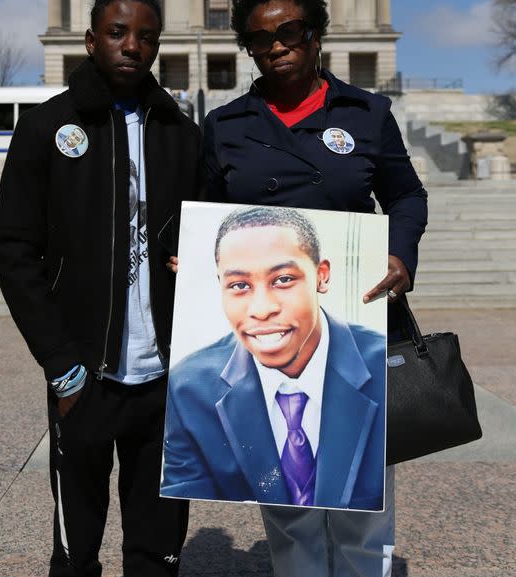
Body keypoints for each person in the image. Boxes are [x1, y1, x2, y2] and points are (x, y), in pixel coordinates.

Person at [202, 0, 428, 577]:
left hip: (355, 322)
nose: (276, 46)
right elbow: (201, 218)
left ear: (317, 35)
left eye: (290, 31)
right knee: (289, 504)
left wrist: (400, 253)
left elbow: (406, 196)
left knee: (361, 503)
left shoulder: (366, 113)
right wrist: (191, 257)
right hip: (273, 333)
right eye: (259, 38)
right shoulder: (226, 126)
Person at [0, 0, 202, 577]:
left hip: (164, 379)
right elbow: (14, 250)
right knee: (76, 548)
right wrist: (60, 362)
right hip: (85, 374)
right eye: (117, 32)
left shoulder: (181, 135)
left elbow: (212, 240)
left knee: (157, 549)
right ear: (90, 40)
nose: (132, 45)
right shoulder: (46, 129)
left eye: (146, 36)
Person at [161, 205, 386, 510]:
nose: (262, 308)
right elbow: (184, 485)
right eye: (239, 286)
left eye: (282, 280)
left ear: (321, 276)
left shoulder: (381, 366)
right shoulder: (189, 387)